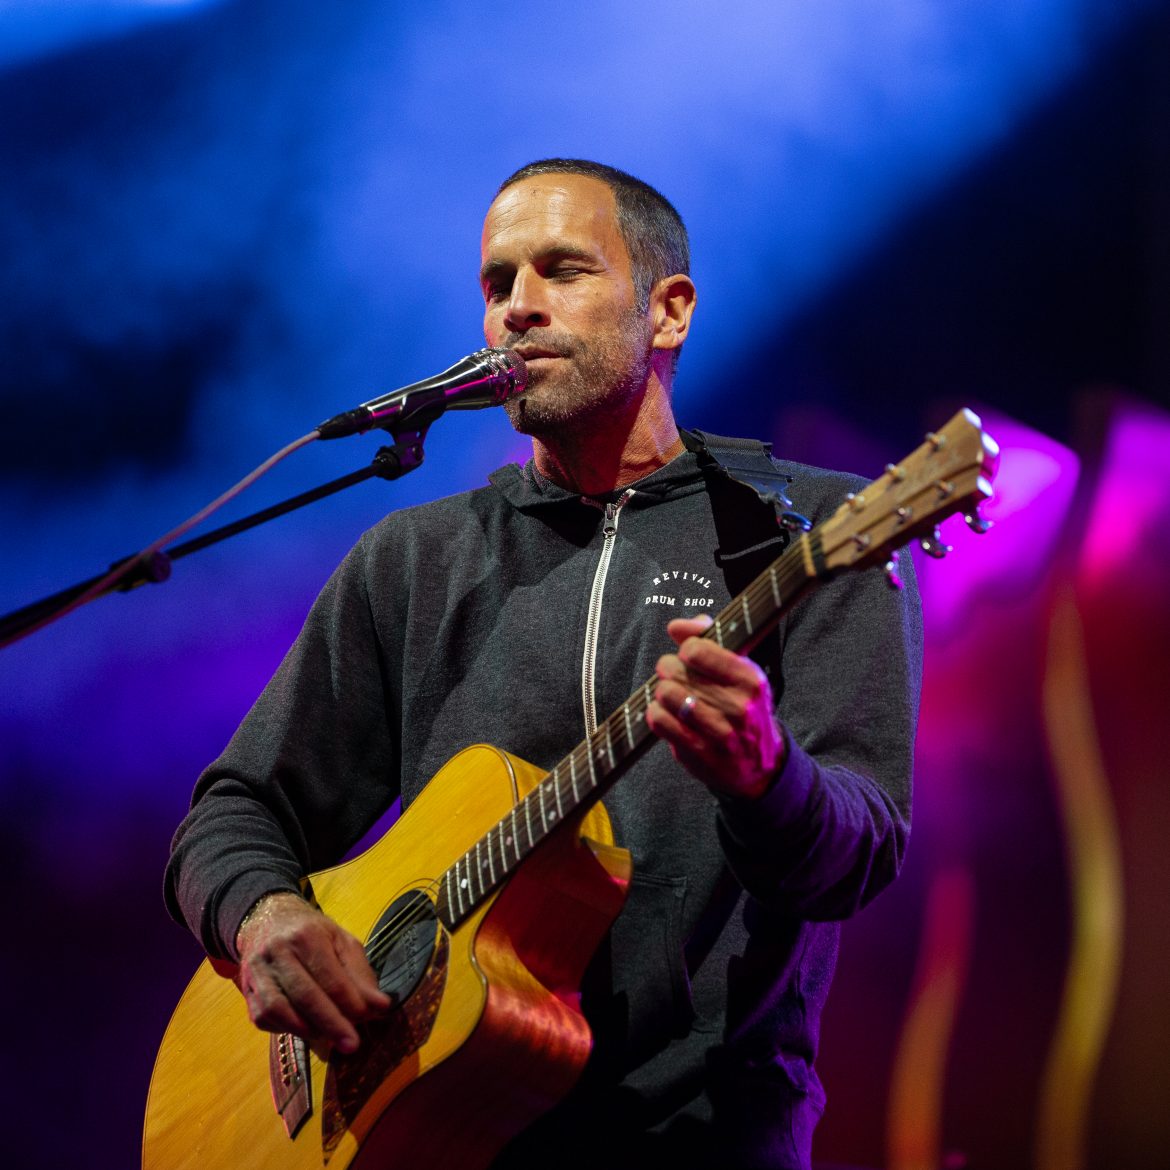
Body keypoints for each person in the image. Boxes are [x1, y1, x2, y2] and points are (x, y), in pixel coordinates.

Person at [165, 158, 922, 1170]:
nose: (516, 307)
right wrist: (263, 916)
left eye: (561, 270)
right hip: (431, 1136)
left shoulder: (808, 530)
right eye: (496, 283)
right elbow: (233, 810)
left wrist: (766, 780)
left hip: (702, 1138)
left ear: (668, 312)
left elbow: (860, 851)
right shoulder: (414, 559)